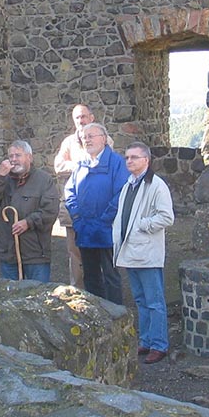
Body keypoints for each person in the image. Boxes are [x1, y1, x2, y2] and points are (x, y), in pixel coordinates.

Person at [112, 142, 174, 364]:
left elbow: (167, 217)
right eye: (127, 157)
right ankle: (146, 340)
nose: (129, 161)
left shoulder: (157, 185)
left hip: (147, 252)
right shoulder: (129, 184)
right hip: (131, 251)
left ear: (146, 161)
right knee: (140, 299)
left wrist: (142, 224)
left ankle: (159, 345)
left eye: (134, 157)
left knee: (155, 300)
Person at [64, 122, 128, 304]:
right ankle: (97, 314)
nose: (87, 140)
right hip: (84, 229)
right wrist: (76, 218)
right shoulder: (81, 164)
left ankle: (116, 314)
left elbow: (120, 194)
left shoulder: (116, 163)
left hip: (107, 229)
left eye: (91, 136)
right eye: (84, 137)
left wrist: (104, 220)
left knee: (110, 275)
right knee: (90, 275)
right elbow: (70, 192)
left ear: (104, 139)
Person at [0, 139, 58, 283]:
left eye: (18, 155)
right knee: (11, 296)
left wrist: (28, 222)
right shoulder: (4, 179)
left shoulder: (44, 180)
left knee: (38, 296)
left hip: (35, 251)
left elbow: (50, 211)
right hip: (8, 249)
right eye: (10, 156)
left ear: (29, 157)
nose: (13, 160)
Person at [53, 103, 94, 287]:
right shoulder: (68, 142)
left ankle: (98, 291)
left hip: (96, 208)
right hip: (72, 208)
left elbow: (100, 165)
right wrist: (78, 165)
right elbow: (58, 166)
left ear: (91, 117)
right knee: (74, 252)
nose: (81, 120)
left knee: (97, 251)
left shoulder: (103, 138)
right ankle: (78, 291)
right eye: (77, 117)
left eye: (84, 116)